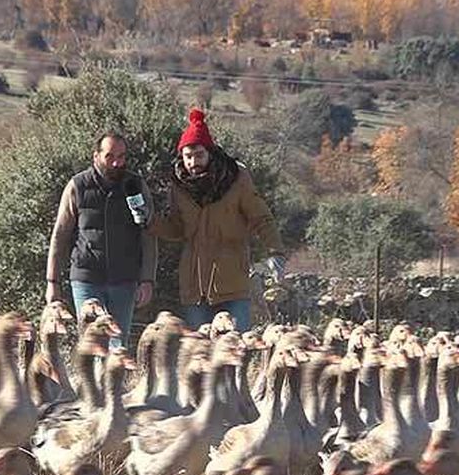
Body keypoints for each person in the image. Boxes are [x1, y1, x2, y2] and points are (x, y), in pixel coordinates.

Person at [149, 108, 284, 331]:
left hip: (232, 282)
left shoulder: (236, 178)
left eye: (199, 155)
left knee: (235, 350)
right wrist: (150, 222)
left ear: (210, 152)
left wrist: (275, 251)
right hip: (194, 287)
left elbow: (261, 217)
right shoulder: (179, 186)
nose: (193, 162)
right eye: (188, 156)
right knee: (201, 356)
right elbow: (177, 229)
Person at [46, 132, 156, 346]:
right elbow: (60, 234)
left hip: (125, 280)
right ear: (95, 156)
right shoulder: (77, 187)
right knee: (92, 345)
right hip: (86, 277)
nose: (117, 162)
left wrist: (147, 279)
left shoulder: (136, 186)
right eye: (110, 156)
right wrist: (53, 282)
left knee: (118, 346)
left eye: (122, 156)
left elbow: (148, 235)